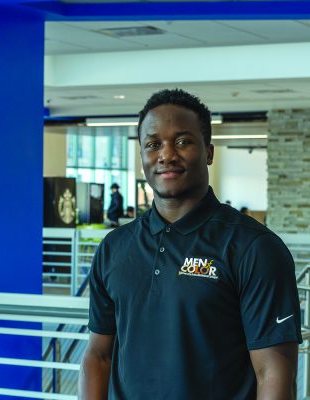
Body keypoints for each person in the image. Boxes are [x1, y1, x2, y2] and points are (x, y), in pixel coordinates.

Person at [79, 89, 301, 399]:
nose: (166, 155)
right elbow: (98, 356)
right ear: (142, 155)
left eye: (182, 141)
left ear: (209, 152)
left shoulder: (255, 248)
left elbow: (274, 372)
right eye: (153, 144)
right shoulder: (115, 248)